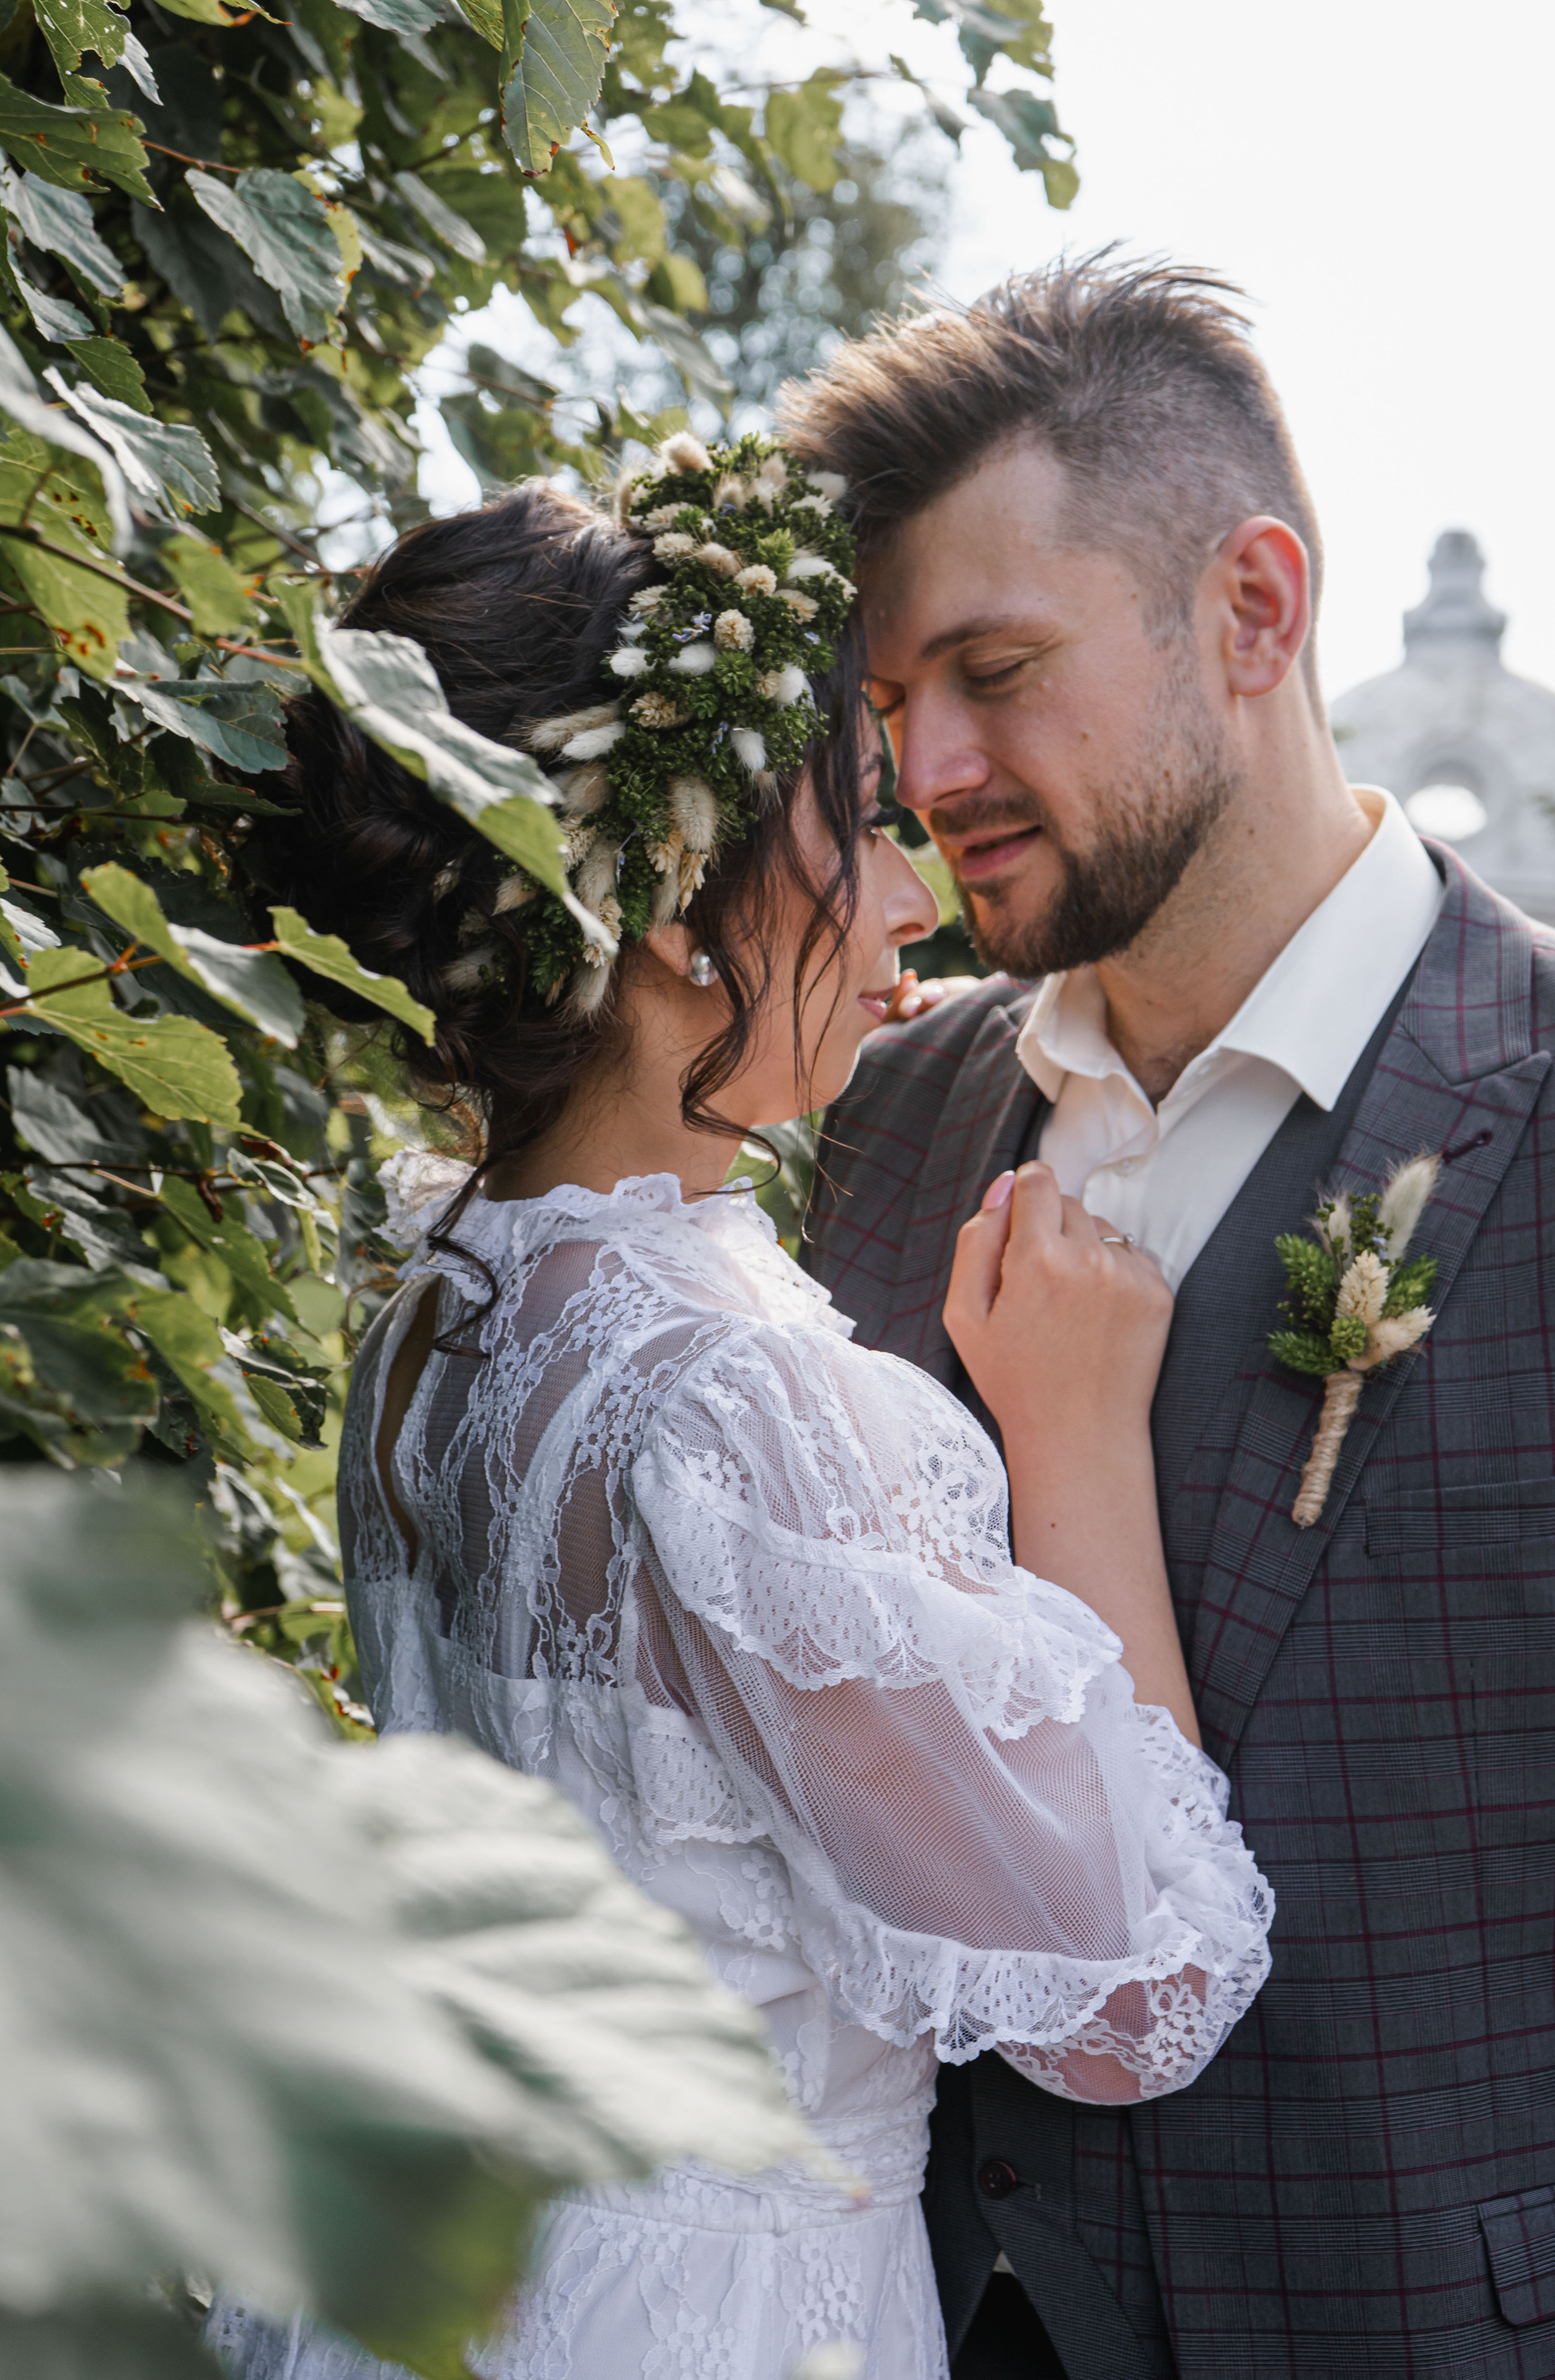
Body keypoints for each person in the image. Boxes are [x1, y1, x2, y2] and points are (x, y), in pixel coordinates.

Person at [206, 442, 1271, 2380]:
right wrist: (1079, 1436)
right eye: (853, 827)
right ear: (680, 919)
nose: (910, 898)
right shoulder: (729, 1402)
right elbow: (1136, 1991)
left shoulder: (446, 1297)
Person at [782, 253, 1555, 2379]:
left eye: (996, 670)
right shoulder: (873, 1122)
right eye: (888, 702)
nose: (923, 766)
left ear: (1255, 614)